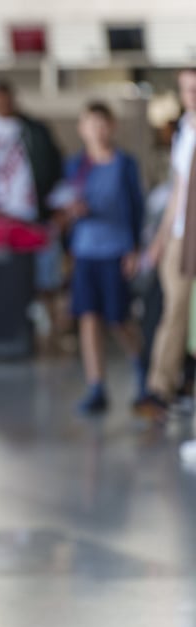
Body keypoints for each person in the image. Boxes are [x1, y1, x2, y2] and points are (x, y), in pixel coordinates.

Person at [55, 102, 145, 414]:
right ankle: (96, 385)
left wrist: (134, 249)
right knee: (88, 317)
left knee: (118, 317)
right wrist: (72, 213)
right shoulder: (77, 166)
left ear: (112, 126)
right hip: (85, 249)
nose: (97, 130)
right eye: (91, 124)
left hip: (115, 248)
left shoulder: (124, 164)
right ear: (82, 128)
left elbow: (136, 207)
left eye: (102, 123)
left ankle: (141, 367)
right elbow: (65, 206)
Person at [0, 80, 65, 347]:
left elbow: (54, 167)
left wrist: (53, 208)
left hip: (31, 214)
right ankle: (10, 332)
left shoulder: (34, 131)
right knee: (4, 277)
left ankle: (49, 335)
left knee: (43, 278)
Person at [139, 69, 196, 422]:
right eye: (186, 89)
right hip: (180, 236)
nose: (190, 94)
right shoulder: (184, 130)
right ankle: (161, 387)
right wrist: (160, 239)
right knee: (173, 312)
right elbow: (178, 190)